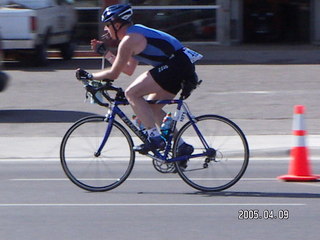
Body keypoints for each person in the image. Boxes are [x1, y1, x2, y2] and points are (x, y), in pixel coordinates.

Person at [76, 4, 202, 166]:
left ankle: (154, 138)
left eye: (108, 24)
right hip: (180, 65)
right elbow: (128, 69)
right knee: (150, 109)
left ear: (117, 23)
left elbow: (114, 74)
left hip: (176, 65)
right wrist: (106, 53)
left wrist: (90, 76)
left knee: (132, 93)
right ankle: (181, 146)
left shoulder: (129, 40)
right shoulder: (133, 34)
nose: (106, 29)